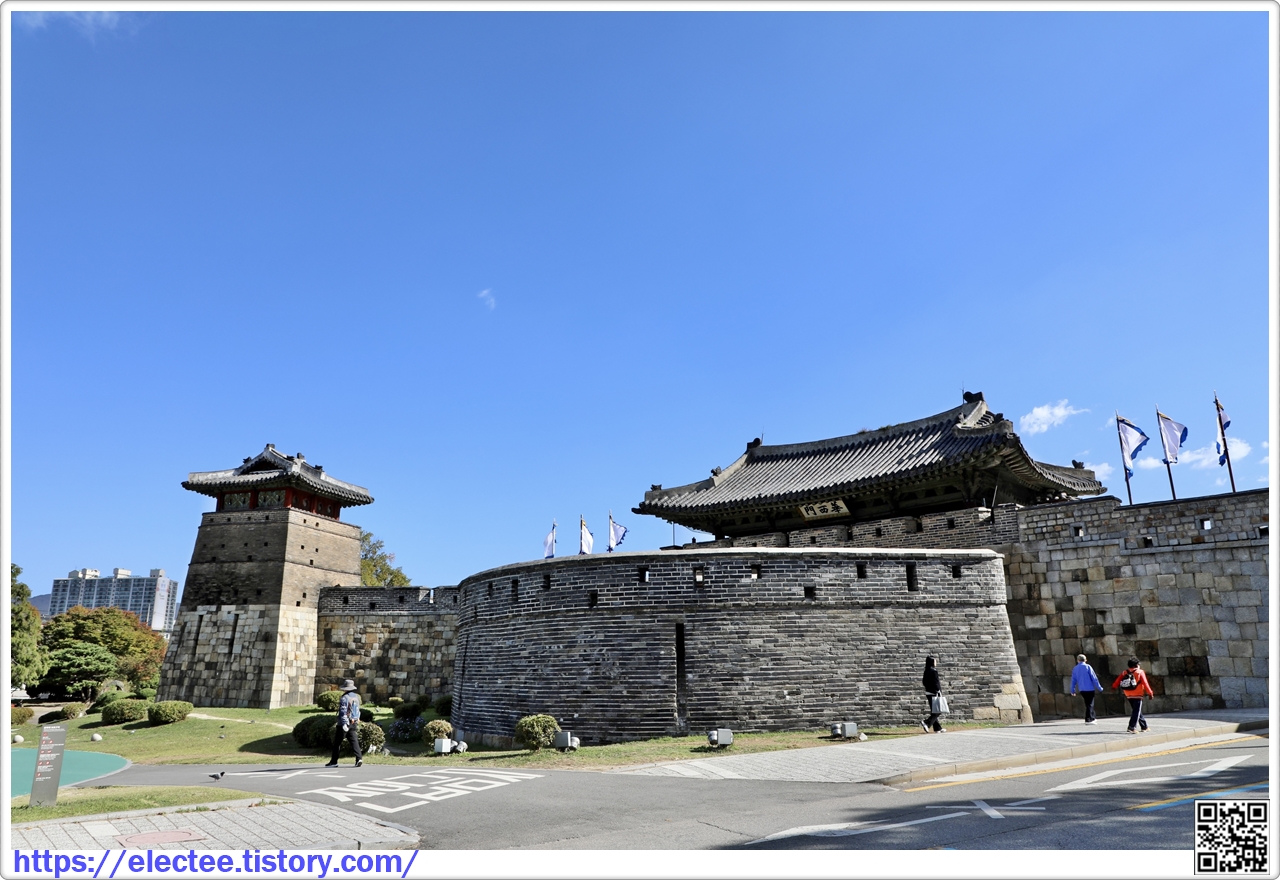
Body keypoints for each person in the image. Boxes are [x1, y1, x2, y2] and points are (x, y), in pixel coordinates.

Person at [326, 679, 363, 767]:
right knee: (354, 741)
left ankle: (334, 762)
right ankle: (359, 758)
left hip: (344, 724)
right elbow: (358, 710)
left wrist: (344, 724)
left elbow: (343, 712)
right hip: (353, 722)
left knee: (337, 743)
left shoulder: (344, 698)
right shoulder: (356, 697)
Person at [1112, 657, 1153, 734]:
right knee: (1136, 711)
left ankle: (1144, 726)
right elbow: (1145, 683)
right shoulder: (1140, 672)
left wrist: (1114, 687)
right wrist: (1150, 693)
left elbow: (1118, 680)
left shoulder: (1125, 672)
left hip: (1128, 693)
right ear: (1137, 665)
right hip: (1137, 694)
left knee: (1136, 710)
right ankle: (1132, 727)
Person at [1069, 653, 1105, 724]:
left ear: (1078, 660)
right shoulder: (1088, 667)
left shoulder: (1075, 668)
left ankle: (1093, 717)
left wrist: (1072, 690)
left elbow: (1073, 680)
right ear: (1085, 660)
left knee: (1088, 703)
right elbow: (1094, 678)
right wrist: (1099, 687)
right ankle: (1088, 719)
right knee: (1090, 704)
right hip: (1090, 688)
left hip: (1082, 689)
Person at [920, 656, 945, 733]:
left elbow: (924, 682)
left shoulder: (926, 671)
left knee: (934, 710)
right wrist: (938, 691)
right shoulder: (934, 671)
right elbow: (936, 683)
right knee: (938, 710)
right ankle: (927, 722)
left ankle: (937, 728)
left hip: (928, 692)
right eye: (935, 661)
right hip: (934, 693)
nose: (936, 662)